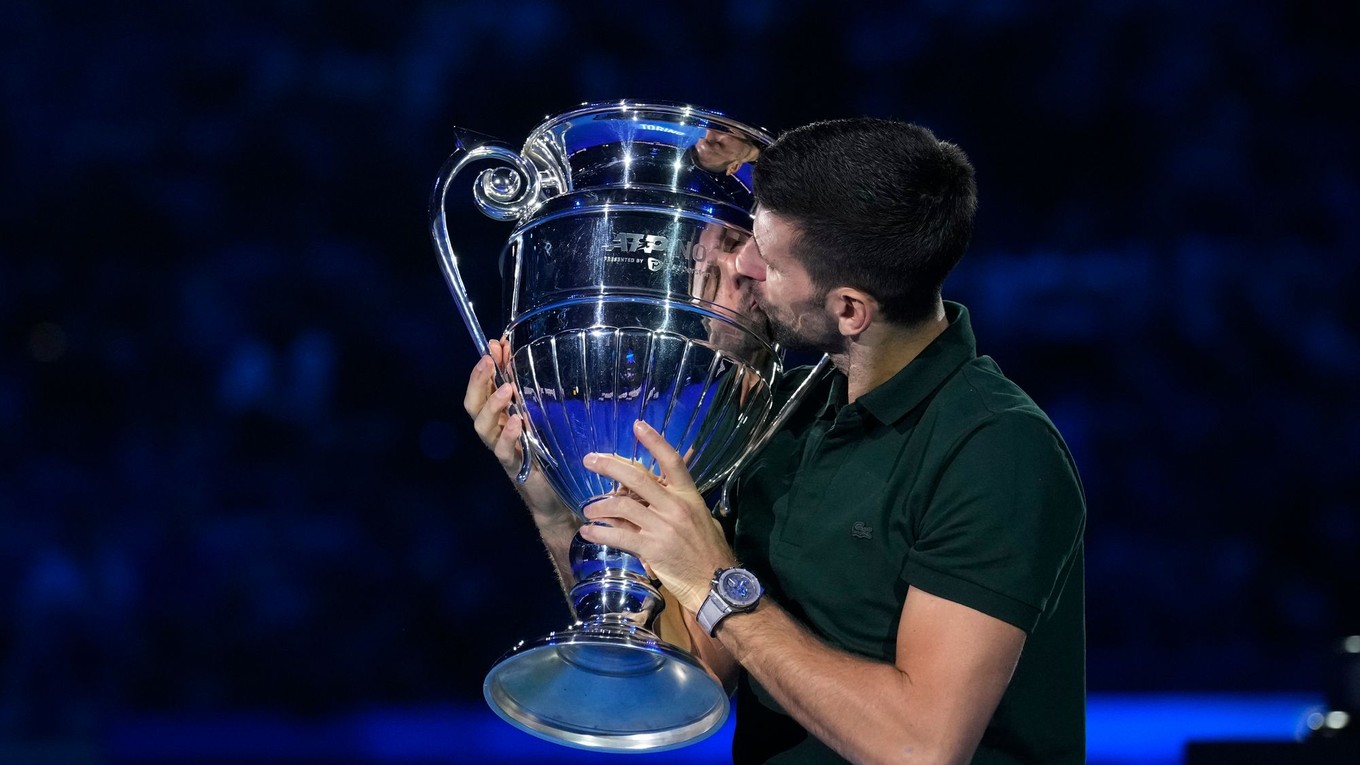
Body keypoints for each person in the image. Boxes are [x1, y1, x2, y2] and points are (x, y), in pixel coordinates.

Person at [465, 117, 1086, 764]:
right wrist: (552, 502)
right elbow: (688, 669)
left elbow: (920, 746)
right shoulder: (783, 419)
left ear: (849, 309)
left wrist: (718, 584)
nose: (736, 263)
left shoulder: (997, 450)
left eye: (764, 254)